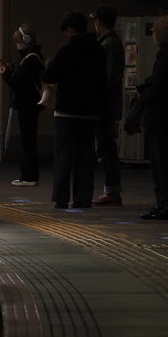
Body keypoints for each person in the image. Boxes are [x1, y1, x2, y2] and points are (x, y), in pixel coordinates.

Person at [41, 11, 108, 209]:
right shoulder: (98, 50)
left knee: (64, 155)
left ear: (70, 30)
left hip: (66, 112)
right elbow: (103, 81)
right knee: (85, 155)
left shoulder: (67, 51)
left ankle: (61, 198)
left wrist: (43, 71)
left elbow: (51, 76)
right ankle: (83, 197)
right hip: (89, 112)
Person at [138, 14, 168, 220]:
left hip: (161, 118)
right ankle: (164, 203)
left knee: (162, 164)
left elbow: (160, 89)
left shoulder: (167, 58)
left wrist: (144, 95)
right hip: (166, 117)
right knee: (160, 164)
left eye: (155, 32)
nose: (154, 35)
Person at [0, 24, 45, 187]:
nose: (17, 45)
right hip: (29, 104)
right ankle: (27, 174)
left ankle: (29, 175)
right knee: (28, 139)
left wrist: (6, 75)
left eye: (19, 41)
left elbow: (20, 83)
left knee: (28, 140)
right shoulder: (30, 57)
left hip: (28, 104)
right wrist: (13, 69)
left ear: (26, 40)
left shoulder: (31, 59)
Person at [90, 5, 125, 205]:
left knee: (105, 147)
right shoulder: (108, 43)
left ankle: (112, 190)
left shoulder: (109, 44)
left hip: (104, 105)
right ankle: (111, 189)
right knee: (104, 146)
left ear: (99, 22)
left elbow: (110, 77)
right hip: (106, 104)